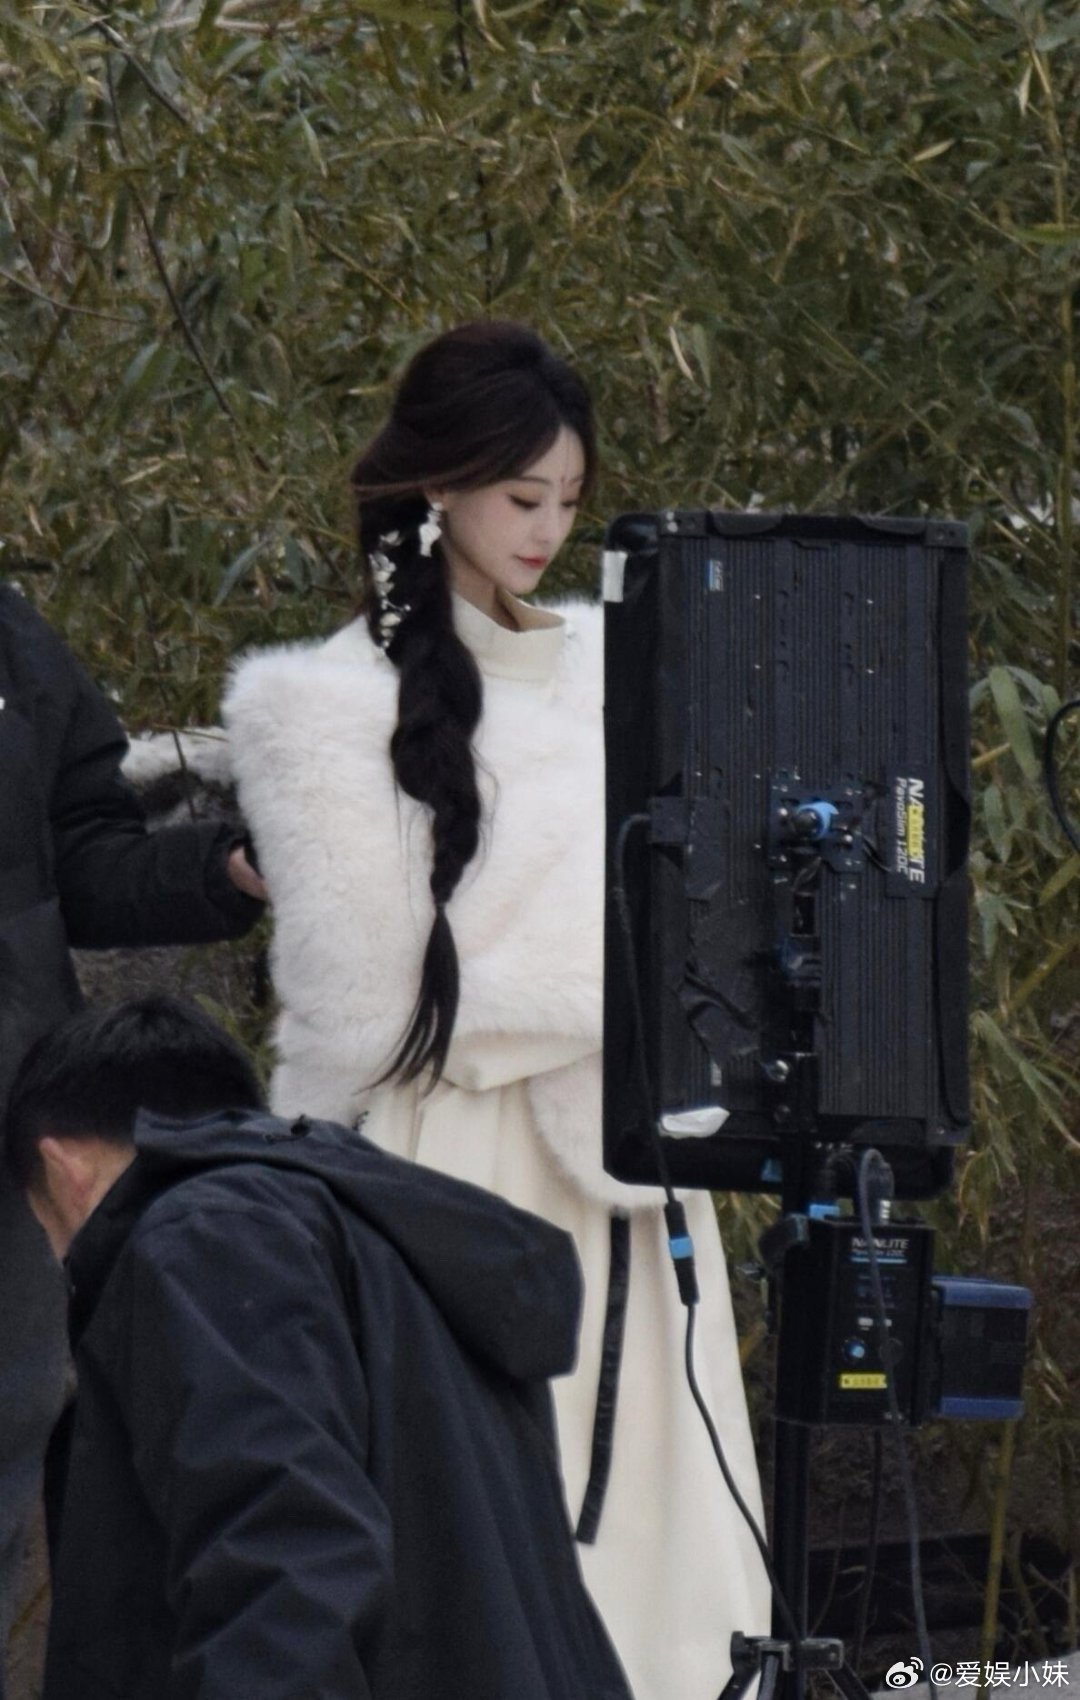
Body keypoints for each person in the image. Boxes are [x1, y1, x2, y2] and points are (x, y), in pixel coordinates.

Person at [223, 320, 770, 1700]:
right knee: (477, 1561)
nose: (549, 529)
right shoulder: (320, 704)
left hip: (625, 1171)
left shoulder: (623, 666)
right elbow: (371, 1008)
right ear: (440, 484)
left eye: (570, 500)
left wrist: (596, 972)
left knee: (664, 1574)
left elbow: (720, 922)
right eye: (524, 496)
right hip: (444, 1181)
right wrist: (619, 970)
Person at [4, 995, 633, 1700]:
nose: (63, 1261)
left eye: (48, 1231)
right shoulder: (398, 1252)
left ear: (62, 1168)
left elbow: (282, 1557)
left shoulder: (207, 1238)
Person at [0, 578, 267, 1693]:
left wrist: (224, 868)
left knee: (13, 1431)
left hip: (10, 1120)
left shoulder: (12, 636)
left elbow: (83, 854)